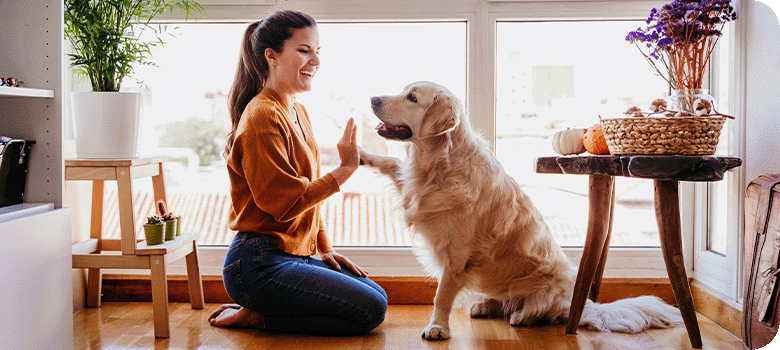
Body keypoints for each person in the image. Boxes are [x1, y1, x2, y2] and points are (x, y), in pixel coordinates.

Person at [208, 10, 387, 335]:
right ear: (272, 56)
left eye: (318, 51)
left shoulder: (296, 110)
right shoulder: (262, 117)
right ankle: (258, 315)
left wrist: (324, 247)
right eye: (304, 50)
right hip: (257, 263)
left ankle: (262, 310)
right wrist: (346, 168)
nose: (315, 60)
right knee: (370, 310)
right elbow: (285, 204)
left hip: (293, 254)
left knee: (378, 296)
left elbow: (306, 196)